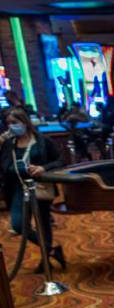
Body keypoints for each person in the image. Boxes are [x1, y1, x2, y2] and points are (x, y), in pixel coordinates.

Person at [0, 107, 66, 270]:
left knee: (43, 224)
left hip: (40, 187)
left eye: (14, 123)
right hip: (17, 188)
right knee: (17, 224)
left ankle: (46, 260)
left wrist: (43, 168)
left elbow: (59, 161)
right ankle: (51, 250)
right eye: (8, 124)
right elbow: (4, 166)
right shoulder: (9, 144)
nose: (11, 127)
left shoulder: (42, 141)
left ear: (24, 122)